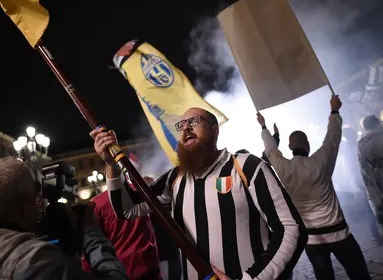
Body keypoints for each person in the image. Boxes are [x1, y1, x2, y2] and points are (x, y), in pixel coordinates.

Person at [91, 107, 308, 280]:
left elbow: (291, 228)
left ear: (215, 130)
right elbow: (126, 209)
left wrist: (254, 278)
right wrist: (111, 165)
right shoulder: (173, 178)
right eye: (182, 125)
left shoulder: (247, 167)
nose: (186, 128)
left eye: (195, 122)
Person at [258, 95, 371, 280]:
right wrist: (334, 110)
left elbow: (271, 151)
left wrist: (264, 128)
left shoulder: (284, 169)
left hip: (312, 239)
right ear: (308, 146)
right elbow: (332, 138)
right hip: (340, 234)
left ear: (289, 146)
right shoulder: (321, 162)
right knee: (360, 275)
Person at [0, 157, 128, 280]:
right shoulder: (36, 260)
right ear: (24, 206)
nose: (39, 207)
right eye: (36, 197)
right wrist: (91, 231)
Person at [81, 177, 161, 279]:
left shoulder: (96, 204)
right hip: (149, 264)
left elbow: (93, 239)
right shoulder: (140, 192)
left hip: (122, 270)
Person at [358, 115, 383, 238]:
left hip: (376, 192)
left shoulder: (361, 144)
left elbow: (364, 172)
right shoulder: (380, 138)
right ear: (377, 124)